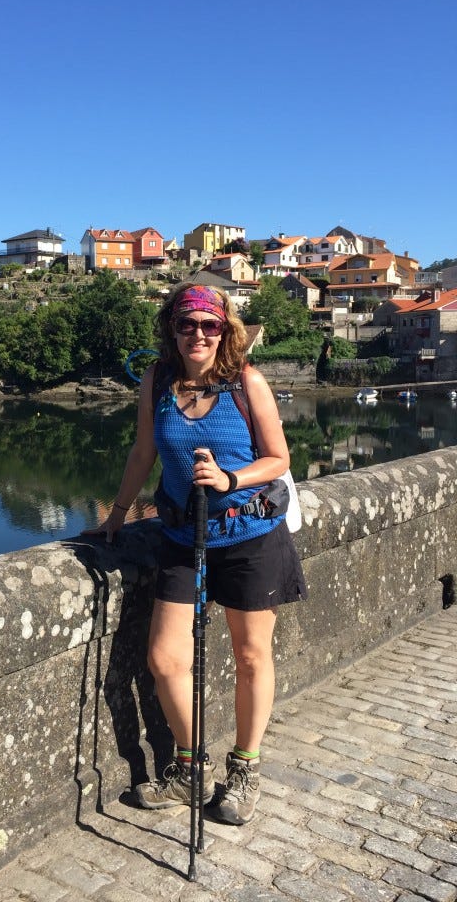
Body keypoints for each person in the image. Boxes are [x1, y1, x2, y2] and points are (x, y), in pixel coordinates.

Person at [87, 283, 306, 824]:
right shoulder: (157, 380)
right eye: (188, 324)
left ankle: (245, 769)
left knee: (252, 655)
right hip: (185, 537)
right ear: (173, 328)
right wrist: (118, 512)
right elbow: (144, 451)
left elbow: (278, 458)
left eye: (210, 325)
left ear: (225, 330)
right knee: (164, 658)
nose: (199, 334)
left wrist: (230, 476)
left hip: (249, 533)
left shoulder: (245, 382)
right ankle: (191, 769)